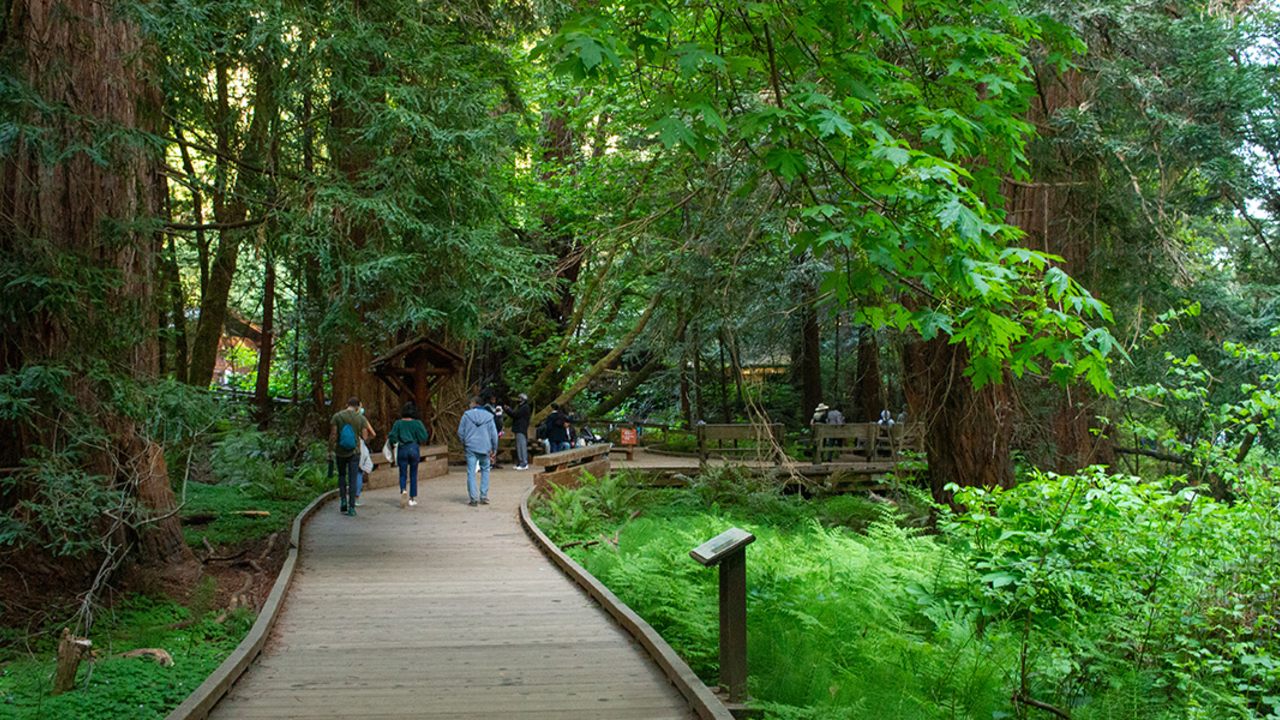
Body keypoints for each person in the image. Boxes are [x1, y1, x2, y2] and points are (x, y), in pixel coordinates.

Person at [330, 396, 373, 516]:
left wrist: (329, 450)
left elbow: (333, 435)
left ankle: (343, 500)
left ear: (347, 405)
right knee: (353, 478)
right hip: (354, 452)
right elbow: (365, 436)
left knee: (342, 476)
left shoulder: (337, 416)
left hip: (340, 451)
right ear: (358, 406)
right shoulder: (360, 418)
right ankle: (352, 507)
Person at [387, 401, 430, 508]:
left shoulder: (398, 423)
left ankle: (403, 490)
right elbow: (424, 436)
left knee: (402, 473)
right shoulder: (417, 423)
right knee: (413, 473)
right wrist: (418, 440)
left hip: (402, 448)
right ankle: (412, 498)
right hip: (414, 448)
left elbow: (392, 436)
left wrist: (395, 441)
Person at [458, 396, 498, 506]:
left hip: (470, 447)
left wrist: (465, 443)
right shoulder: (489, 416)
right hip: (485, 447)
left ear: (474, 404)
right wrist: (494, 448)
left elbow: (461, 432)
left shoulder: (466, 415)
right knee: (485, 469)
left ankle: (473, 498)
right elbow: (494, 435)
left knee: (471, 472)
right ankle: (483, 496)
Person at [509, 393, 532, 470]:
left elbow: (515, 414)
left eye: (520, 398)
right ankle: (520, 462)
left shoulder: (524, 407)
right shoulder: (521, 407)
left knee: (521, 446)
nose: (518, 400)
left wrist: (508, 410)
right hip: (518, 428)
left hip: (521, 428)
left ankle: (523, 463)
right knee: (518, 446)